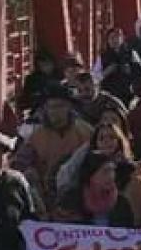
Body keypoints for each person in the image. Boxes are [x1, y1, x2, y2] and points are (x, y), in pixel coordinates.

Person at [12, 83, 94, 214]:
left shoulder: (85, 132)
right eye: (50, 107)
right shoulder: (36, 136)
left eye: (59, 106)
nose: (54, 111)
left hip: (79, 198)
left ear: (69, 107)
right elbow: (19, 164)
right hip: (43, 199)